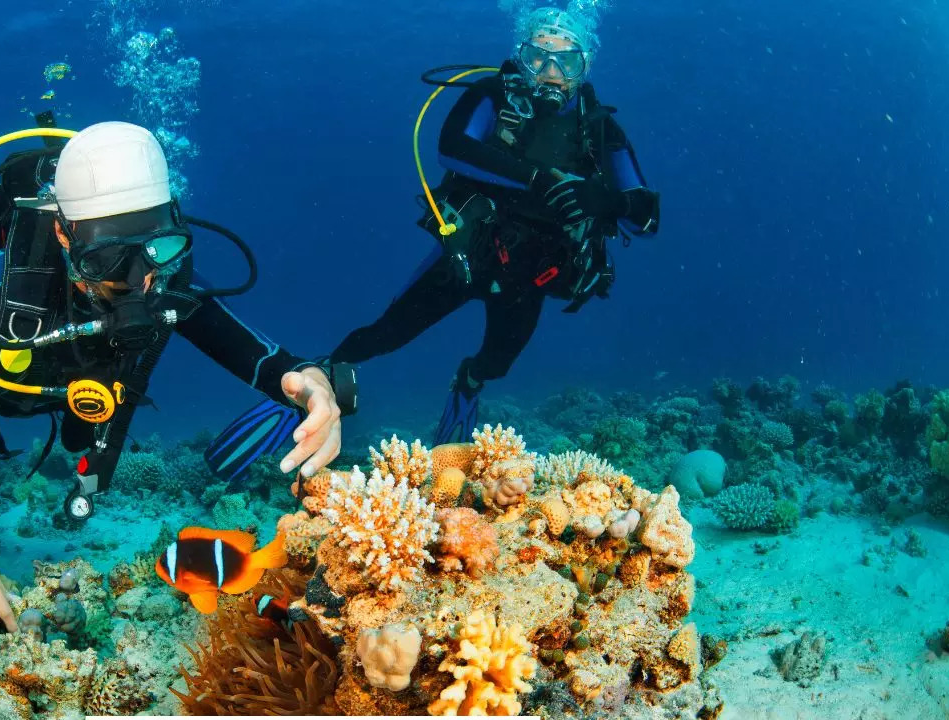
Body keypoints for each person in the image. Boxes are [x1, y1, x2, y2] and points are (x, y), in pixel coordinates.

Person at [0, 120, 355, 631]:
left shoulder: (167, 280)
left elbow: (261, 358)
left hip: (74, 390)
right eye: (109, 258)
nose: (139, 281)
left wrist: (312, 383)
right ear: (65, 236)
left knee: (92, 424)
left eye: (154, 247)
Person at [204, 7, 660, 475]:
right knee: (383, 334)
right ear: (520, 57)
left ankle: (466, 386)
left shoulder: (600, 129)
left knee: (496, 362)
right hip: (467, 258)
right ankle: (309, 384)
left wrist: (603, 200)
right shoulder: (492, 95)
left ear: (586, 66)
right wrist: (538, 180)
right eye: (538, 57)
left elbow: (645, 216)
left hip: (532, 277)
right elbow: (452, 147)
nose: (550, 73)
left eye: (567, 61)